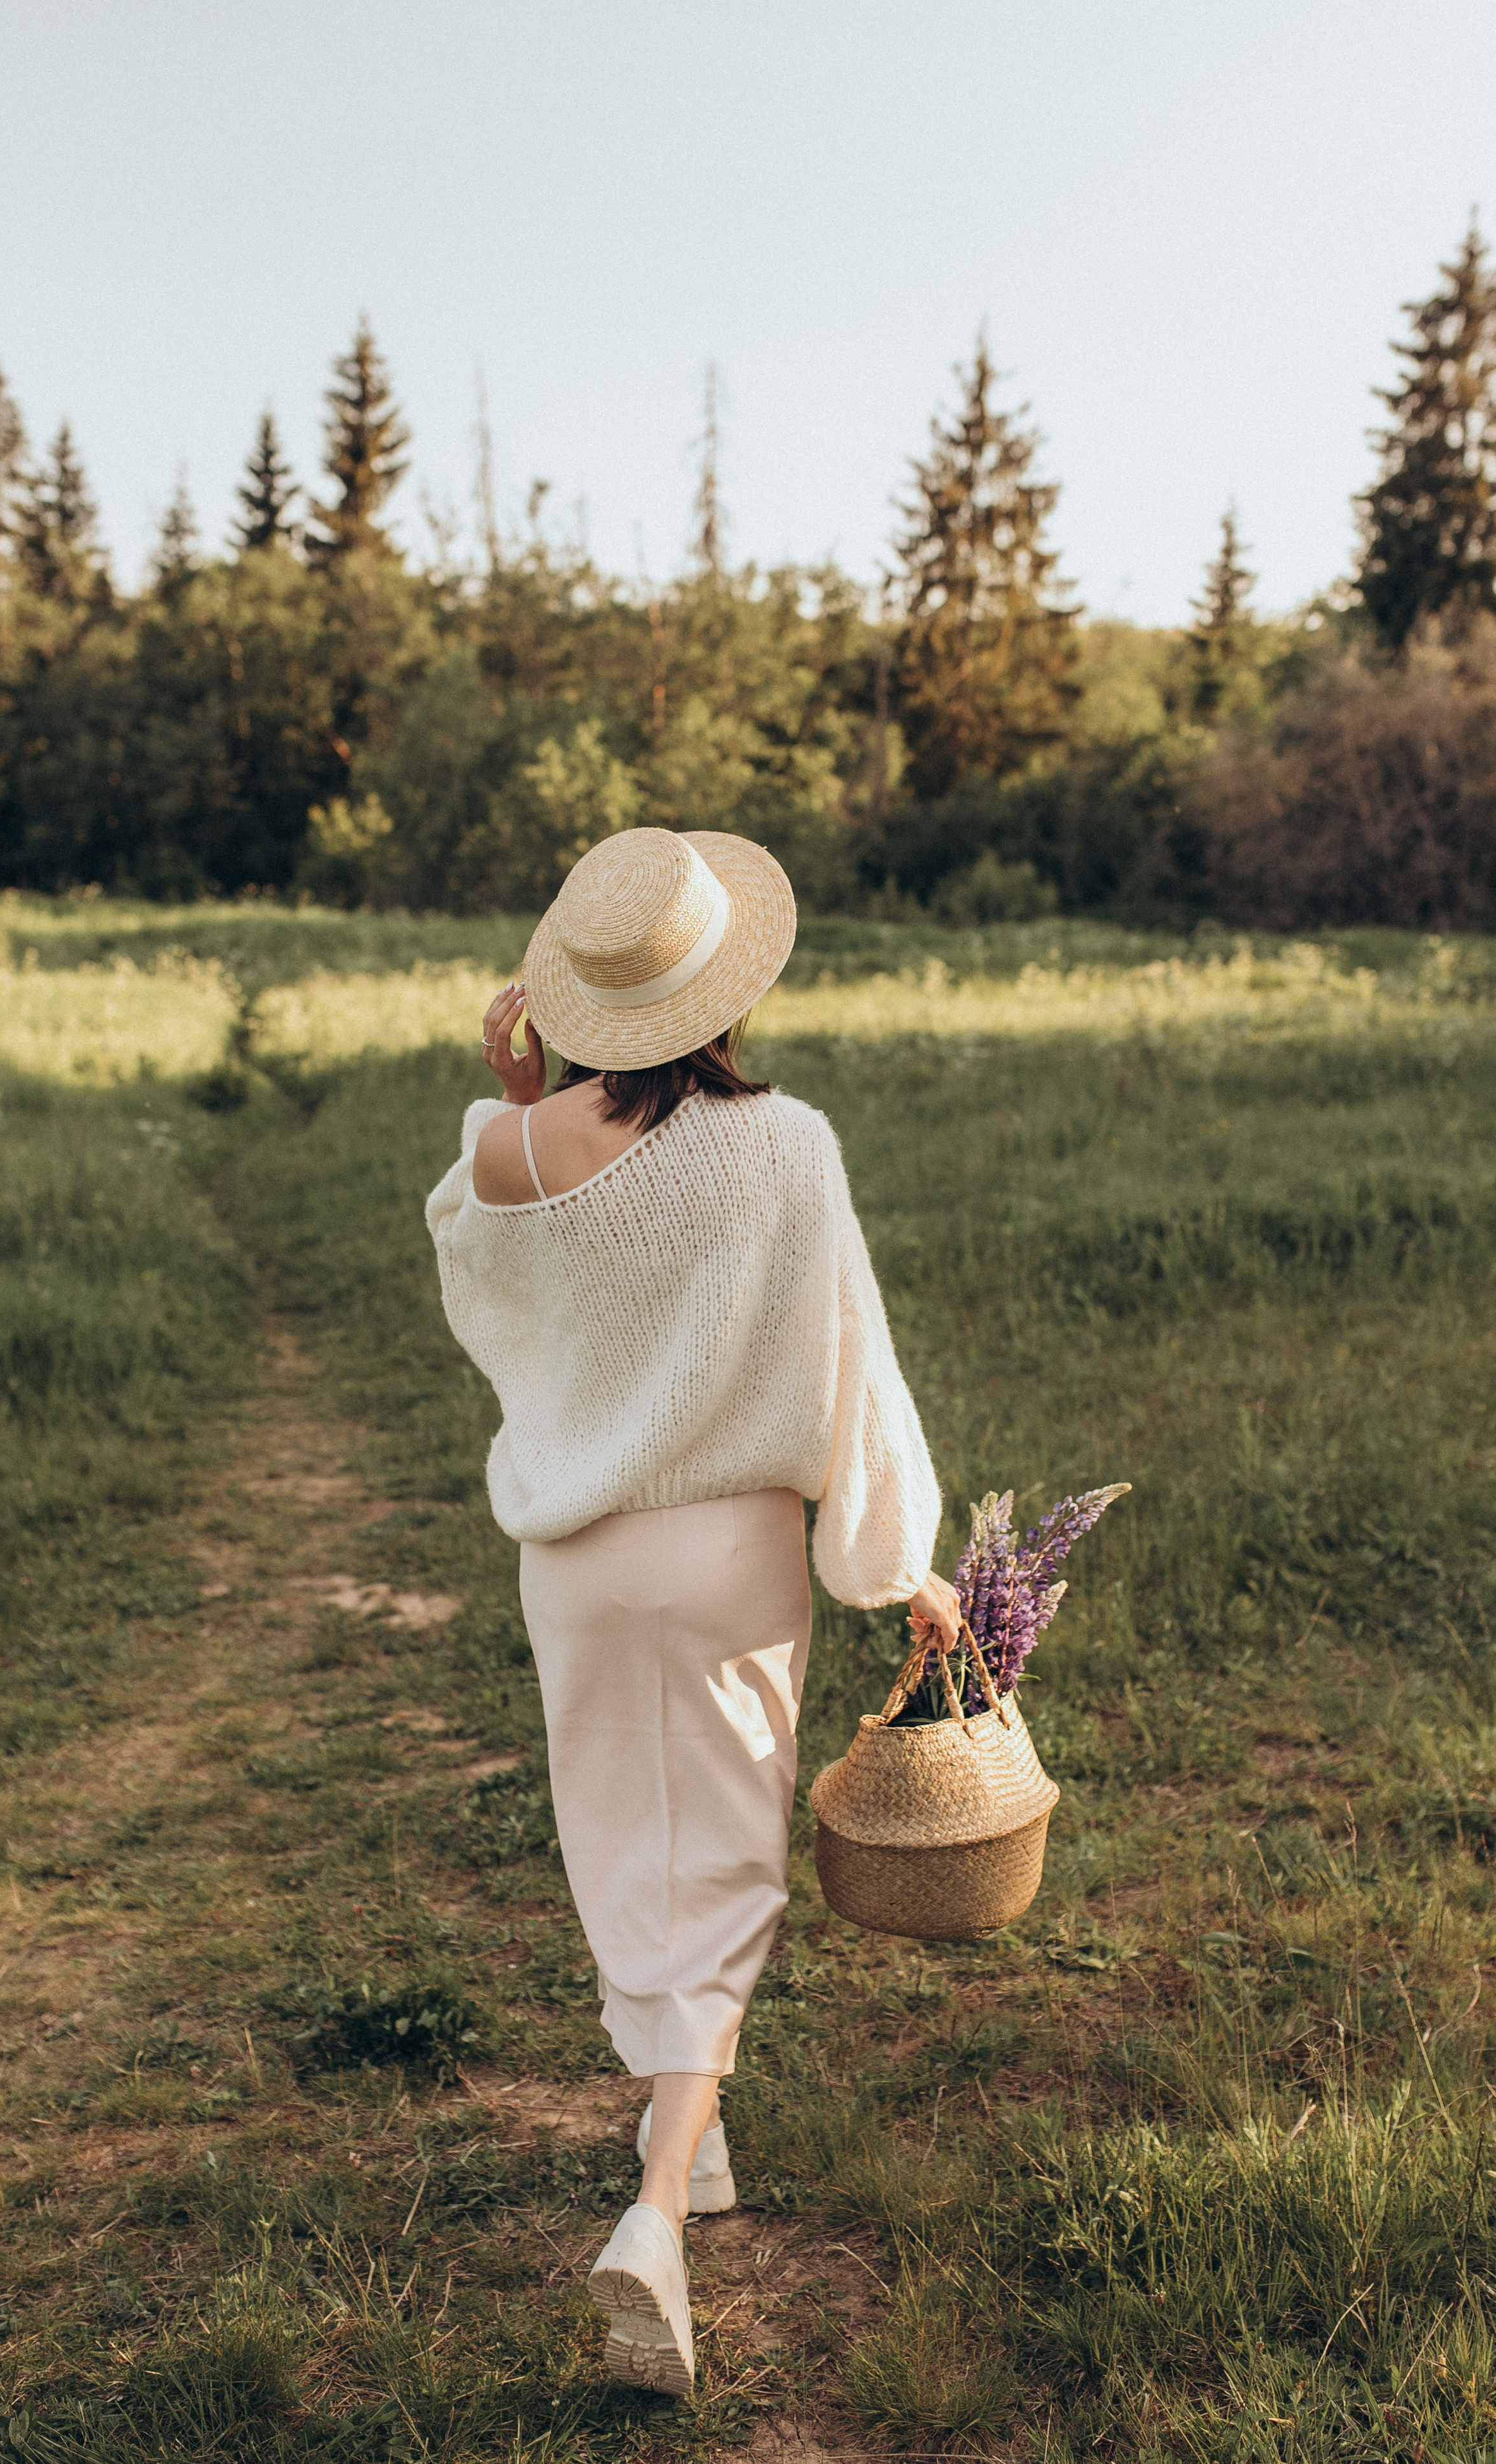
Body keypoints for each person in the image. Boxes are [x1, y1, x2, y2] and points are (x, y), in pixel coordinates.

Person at [427, 826, 956, 2398]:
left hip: (579, 1563)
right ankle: (655, 2211)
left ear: (581, 994)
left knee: (622, 1845)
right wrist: (899, 1560)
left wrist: (522, 1098)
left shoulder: (507, 1150)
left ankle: (694, 2136)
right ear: (727, 988)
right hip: (729, 1553)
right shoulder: (789, 1143)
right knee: (723, 1871)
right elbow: (850, 1359)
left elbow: (494, 1270)